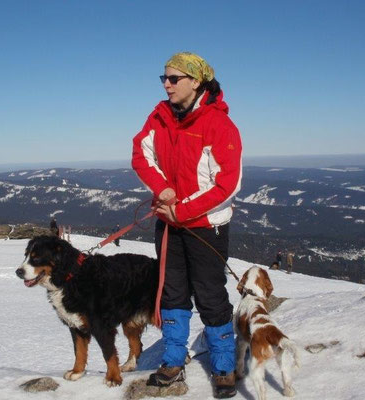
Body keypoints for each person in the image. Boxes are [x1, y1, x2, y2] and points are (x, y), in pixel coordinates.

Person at [132, 52, 242, 398]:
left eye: (174, 78)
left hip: (206, 226)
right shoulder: (159, 116)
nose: (166, 84)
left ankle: (224, 364)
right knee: (172, 292)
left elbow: (228, 183)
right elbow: (140, 154)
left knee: (210, 293)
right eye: (163, 78)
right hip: (169, 223)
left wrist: (186, 210)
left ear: (196, 82)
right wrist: (163, 190)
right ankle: (173, 359)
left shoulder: (218, 124)